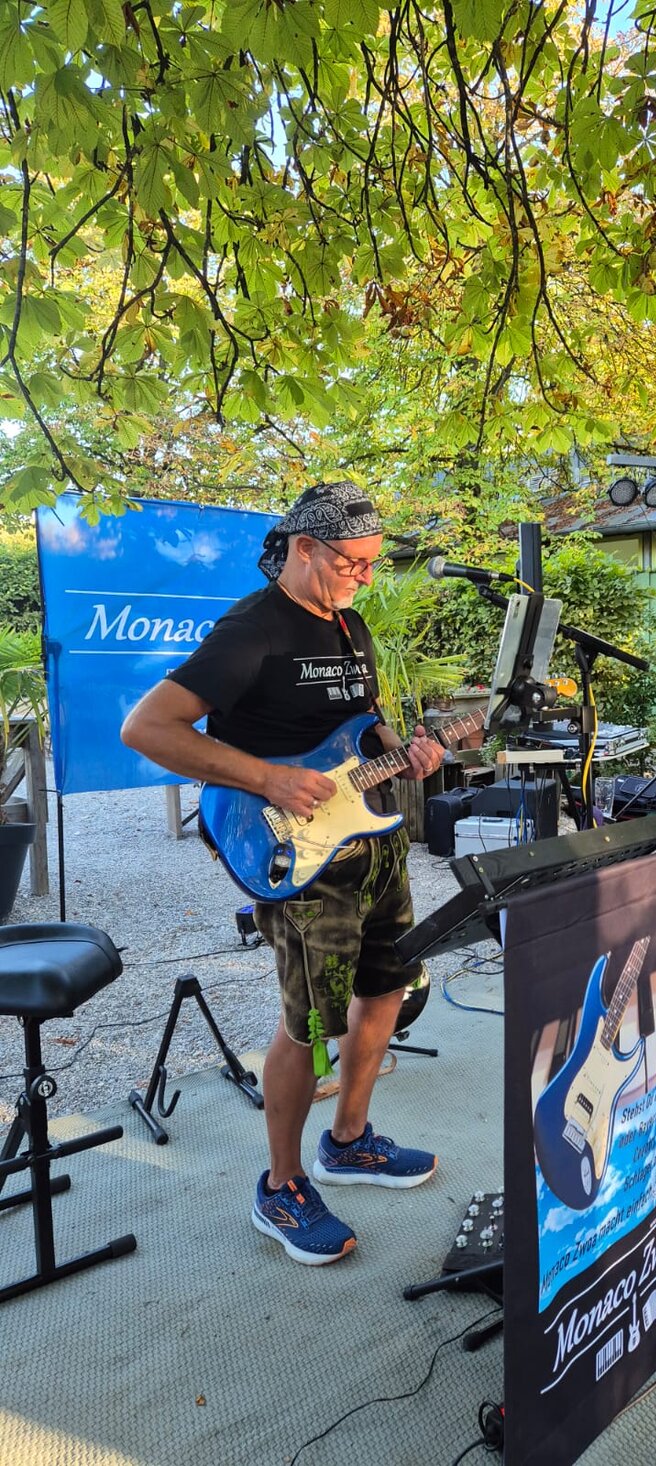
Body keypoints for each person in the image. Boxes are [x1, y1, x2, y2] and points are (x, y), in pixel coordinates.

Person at [121, 481, 446, 1265]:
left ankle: (351, 1139)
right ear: (304, 549)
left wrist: (411, 753)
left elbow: (365, 731)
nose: (364, 578)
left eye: (372, 565)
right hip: (293, 854)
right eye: (353, 563)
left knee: (385, 992)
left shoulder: (351, 624)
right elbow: (148, 728)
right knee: (309, 1023)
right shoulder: (252, 628)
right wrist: (264, 778)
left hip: (373, 842)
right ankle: (282, 1184)